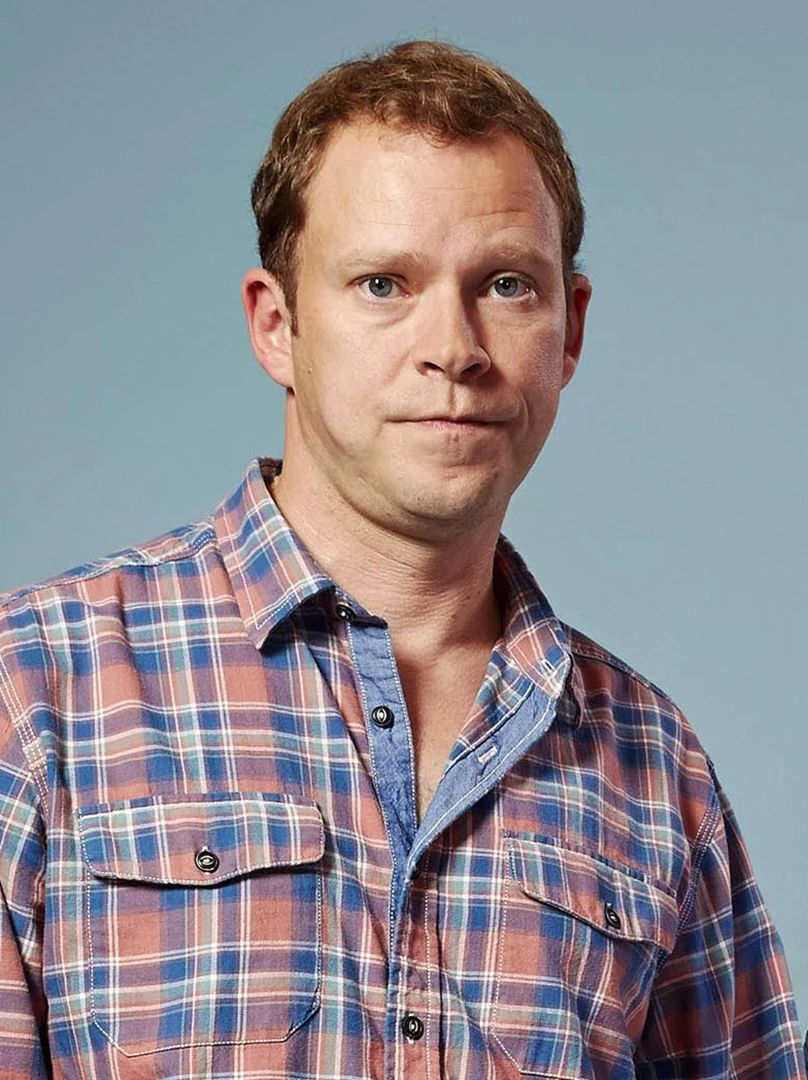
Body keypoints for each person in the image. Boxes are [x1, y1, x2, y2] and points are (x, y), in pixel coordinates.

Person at [0, 39, 803, 1080]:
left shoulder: (656, 768)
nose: (454, 347)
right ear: (277, 326)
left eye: (506, 285)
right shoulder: (35, 688)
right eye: (384, 283)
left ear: (569, 331)